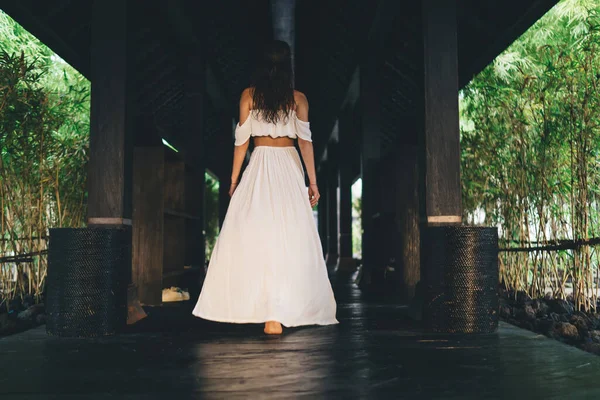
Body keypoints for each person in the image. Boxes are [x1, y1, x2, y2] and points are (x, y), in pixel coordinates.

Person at [192, 40, 339, 335]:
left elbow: (241, 142)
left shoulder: (249, 96)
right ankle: (278, 310)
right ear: (288, 68)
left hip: (259, 165)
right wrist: (312, 181)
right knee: (288, 236)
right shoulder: (298, 99)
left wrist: (234, 180)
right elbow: (305, 142)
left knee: (253, 234)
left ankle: (262, 308)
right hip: (288, 166)